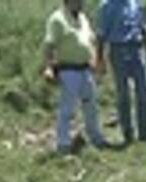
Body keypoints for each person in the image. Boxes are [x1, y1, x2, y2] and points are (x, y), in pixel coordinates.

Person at [43, 0, 108, 155]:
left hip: (85, 69)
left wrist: (96, 61)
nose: (81, 3)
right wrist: (49, 68)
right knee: (67, 108)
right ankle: (63, 144)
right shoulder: (57, 19)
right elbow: (49, 45)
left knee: (91, 106)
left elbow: (90, 41)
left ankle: (96, 137)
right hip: (68, 70)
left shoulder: (83, 18)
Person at [96, 0, 146, 144]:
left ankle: (144, 132)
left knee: (143, 91)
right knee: (123, 93)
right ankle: (128, 133)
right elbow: (101, 34)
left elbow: (143, 28)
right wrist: (100, 59)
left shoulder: (135, 3)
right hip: (118, 50)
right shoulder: (106, 6)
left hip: (137, 48)